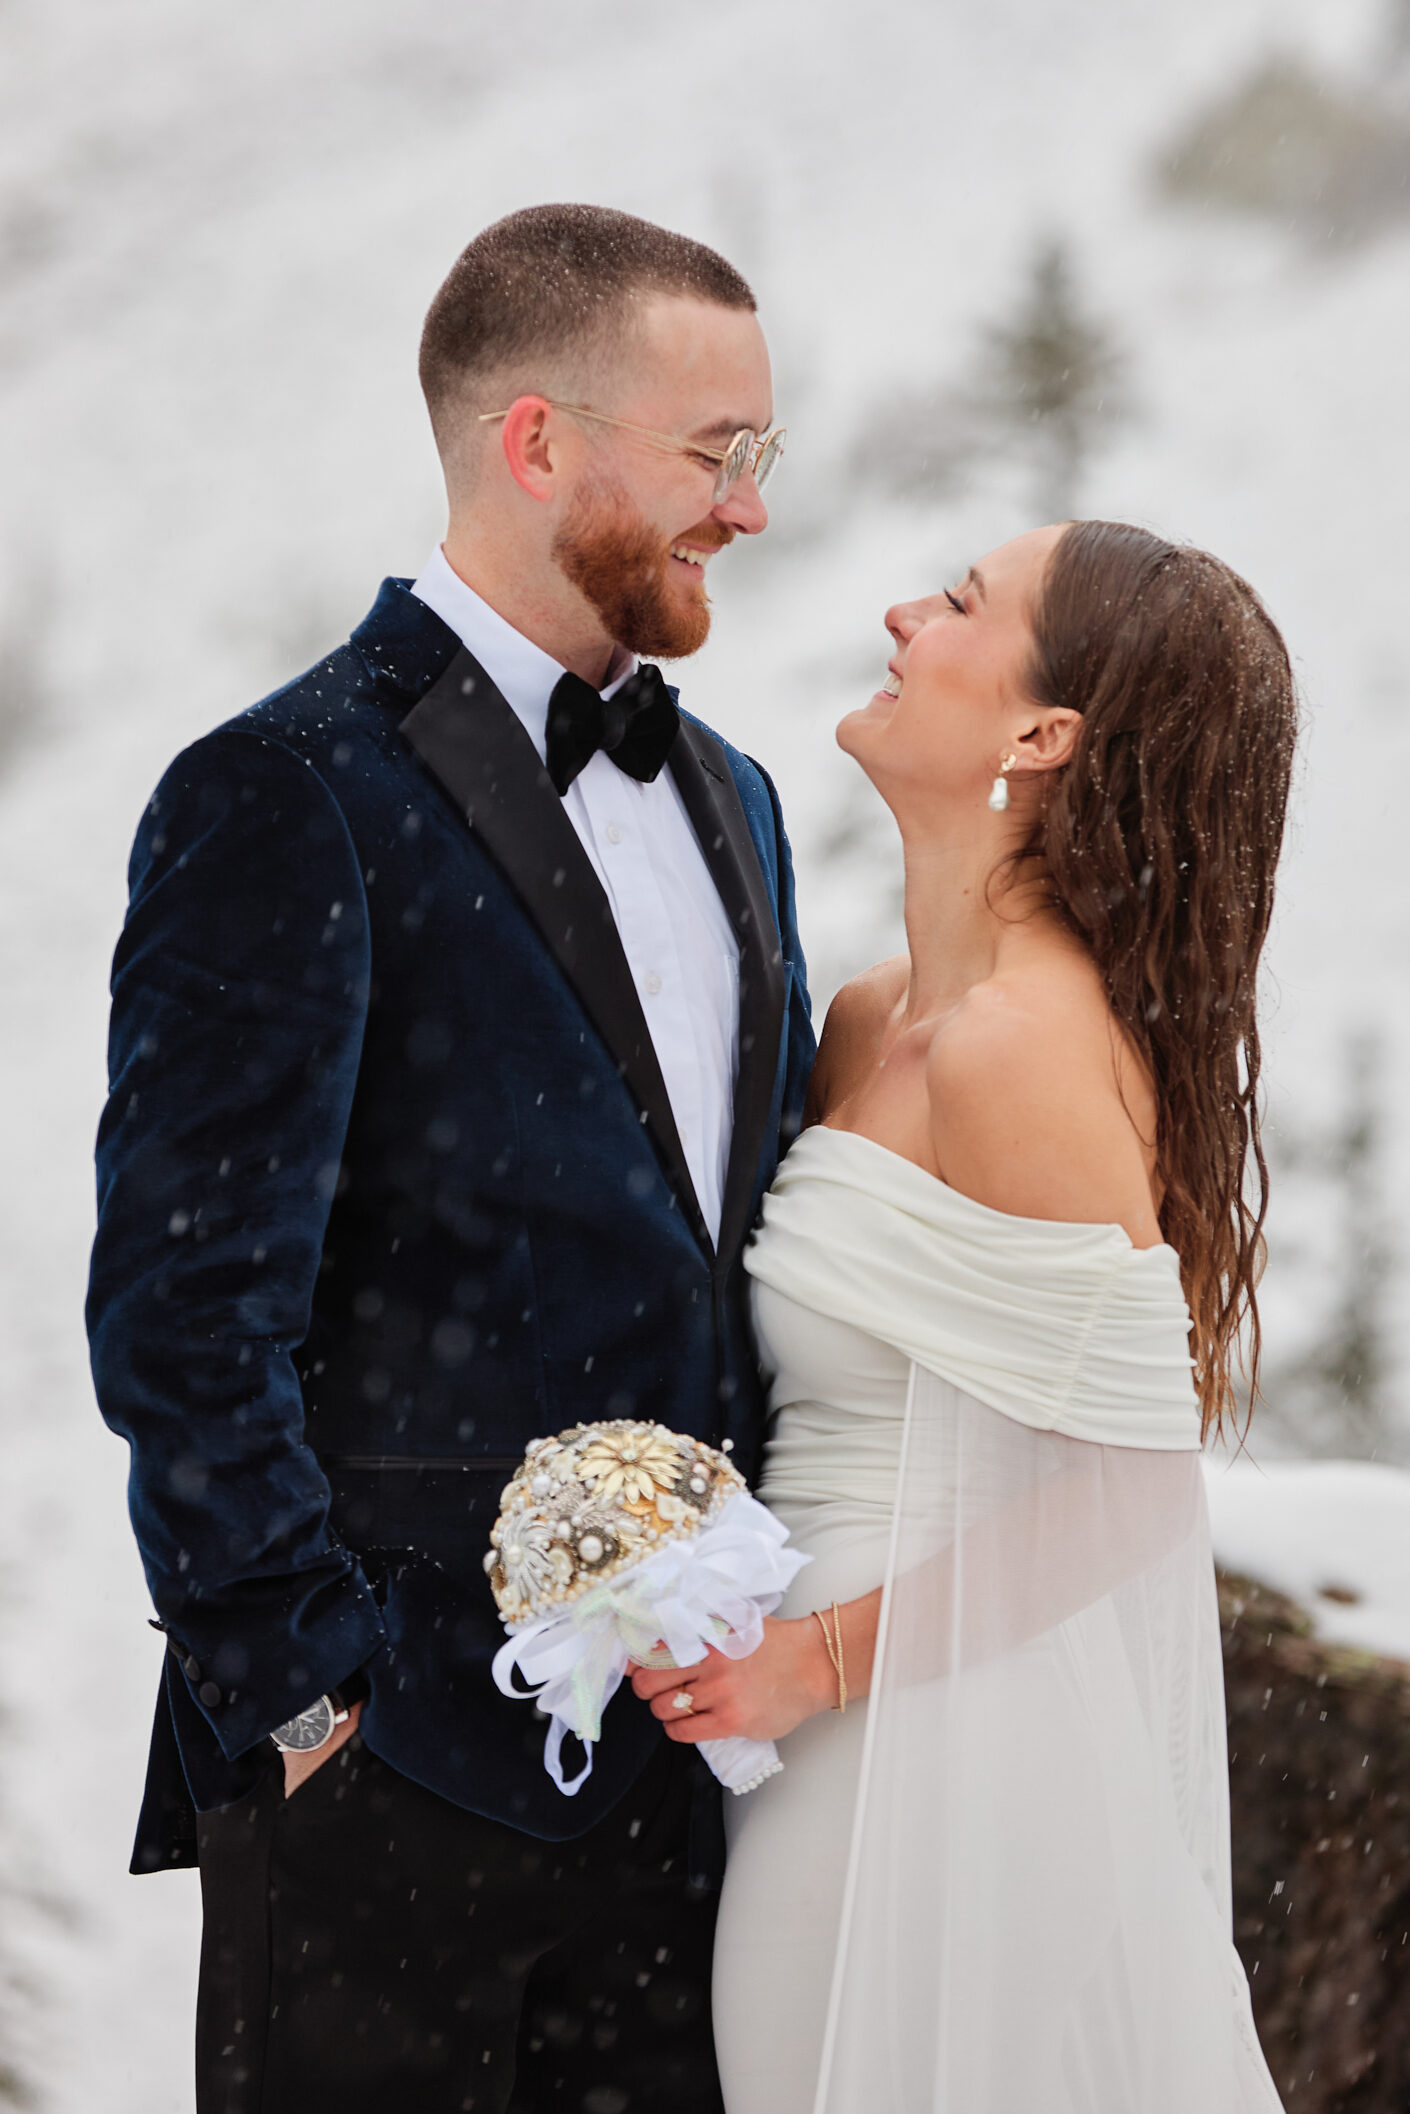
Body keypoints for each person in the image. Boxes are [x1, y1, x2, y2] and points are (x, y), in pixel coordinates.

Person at [86, 203, 814, 2114]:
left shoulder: (734, 799)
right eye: (716, 452)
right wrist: (312, 1700)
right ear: (538, 441)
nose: (748, 504)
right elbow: (181, 1309)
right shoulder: (284, 791)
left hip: (688, 1803)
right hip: (387, 1788)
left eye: (763, 454)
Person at [630, 520, 1296, 2110]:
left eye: (956, 603)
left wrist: (817, 1665)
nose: (897, 613)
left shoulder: (1018, 1047)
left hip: (948, 1745)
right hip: (815, 1743)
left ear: (1040, 734)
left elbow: (1129, 1493)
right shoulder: (869, 1017)